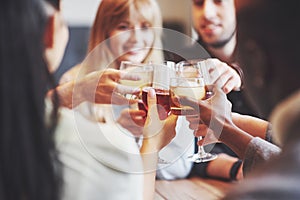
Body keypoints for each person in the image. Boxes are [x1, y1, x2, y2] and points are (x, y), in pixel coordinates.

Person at [58, 0, 194, 182]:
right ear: (105, 31)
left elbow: (180, 167)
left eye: (145, 27)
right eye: (123, 27)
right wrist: (121, 135)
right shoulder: (75, 83)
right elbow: (71, 160)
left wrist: (143, 141)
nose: (135, 39)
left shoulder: (172, 84)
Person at [177, 0, 300, 199]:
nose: (207, 12)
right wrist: (228, 125)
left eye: (218, 1)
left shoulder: (269, 190)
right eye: (199, 3)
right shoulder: (182, 63)